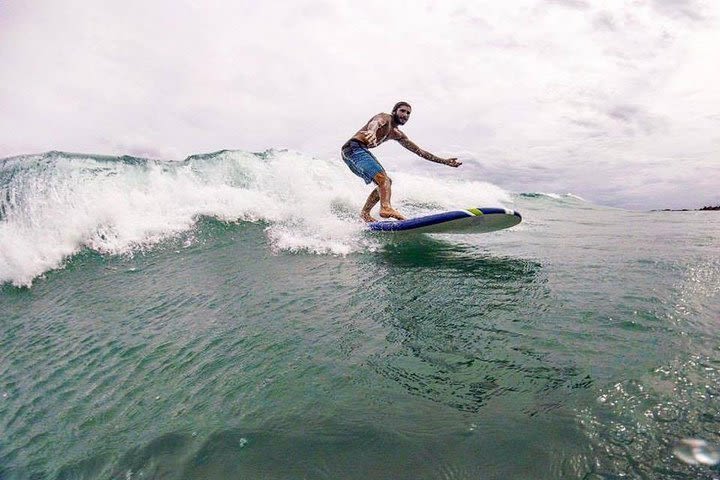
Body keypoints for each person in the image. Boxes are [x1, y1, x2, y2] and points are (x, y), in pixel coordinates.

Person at [341, 102, 462, 222]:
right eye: (402, 111)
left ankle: (365, 214)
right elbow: (375, 123)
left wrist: (445, 161)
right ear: (394, 111)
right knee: (384, 180)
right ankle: (386, 208)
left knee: (385, 183)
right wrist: (372, 131)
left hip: (351, 153)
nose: (405, 114)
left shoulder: (397, 134)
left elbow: (420, 151)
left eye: (408, 113)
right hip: (354, 148)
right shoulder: (385, 117)